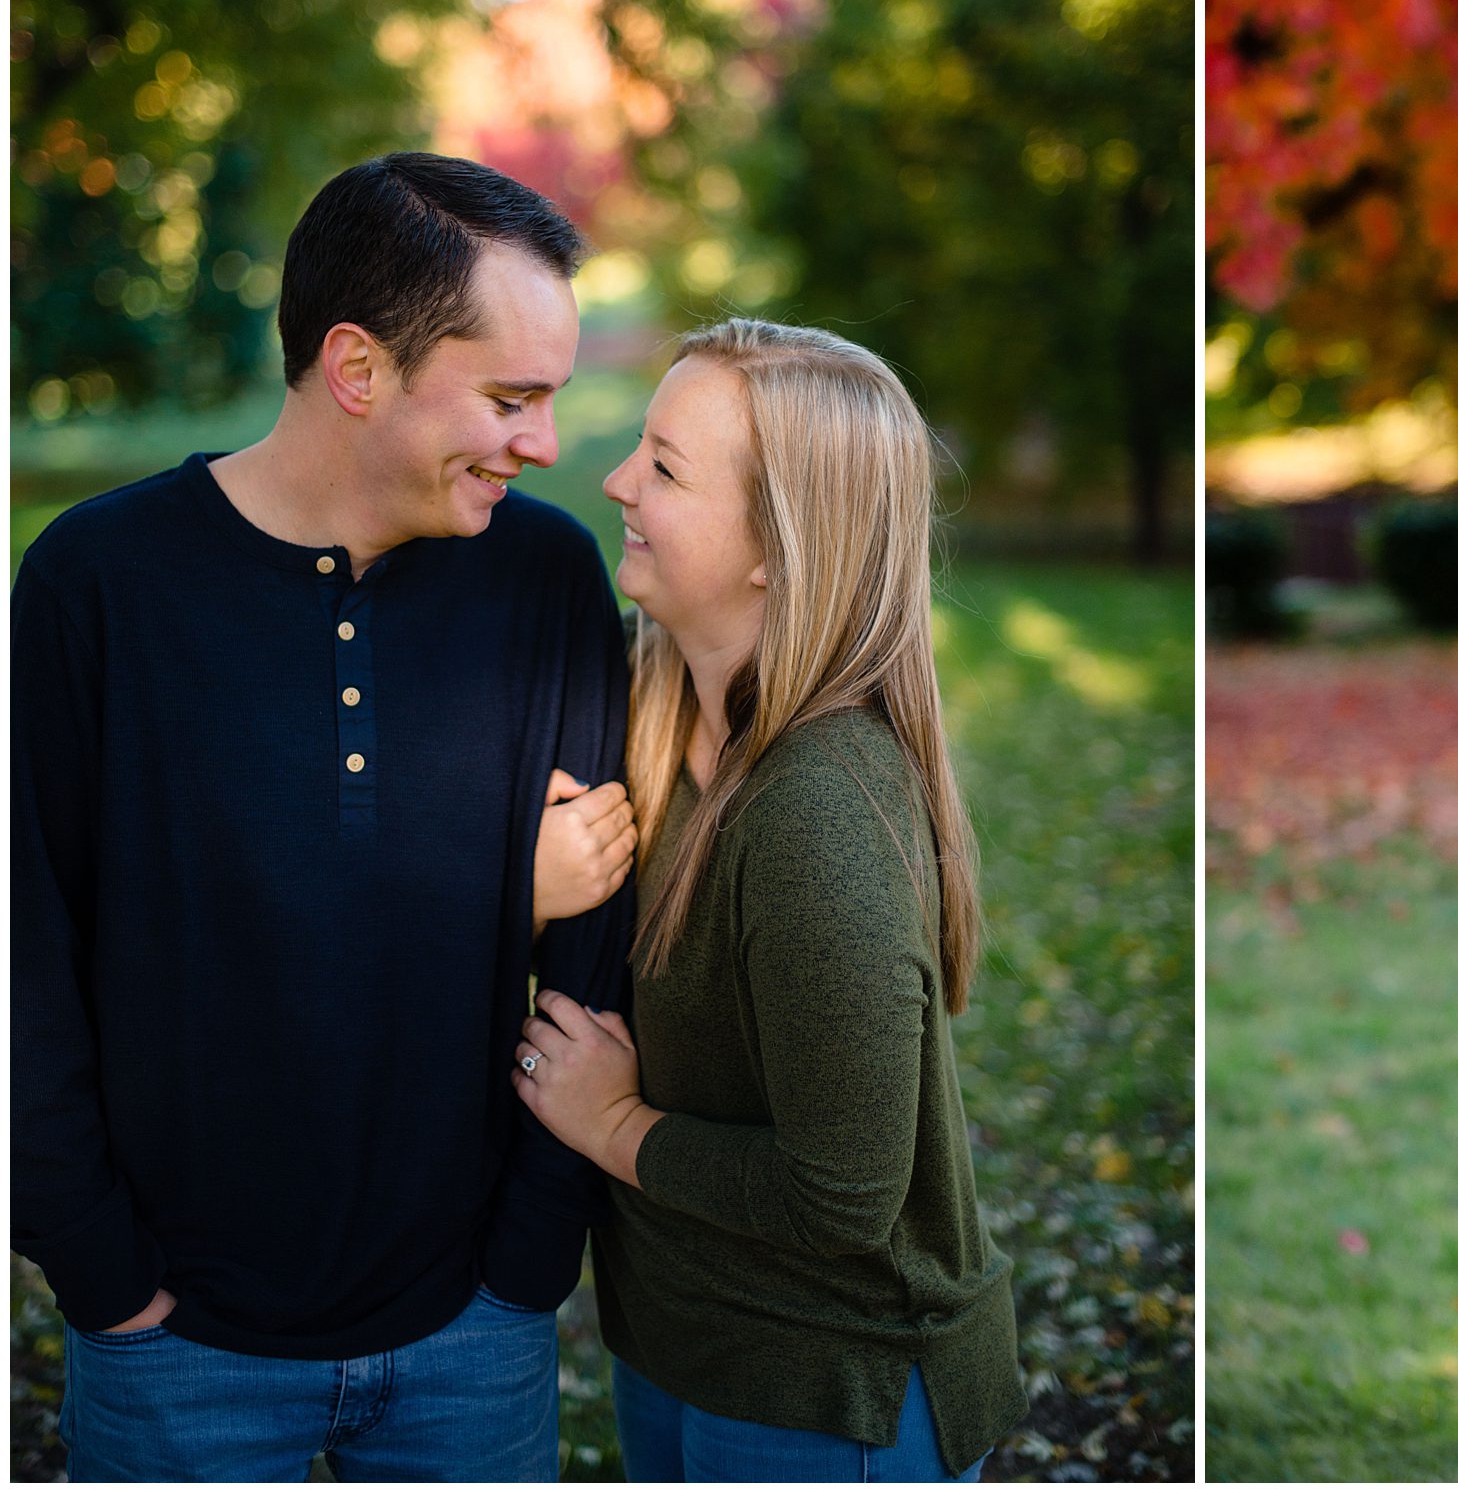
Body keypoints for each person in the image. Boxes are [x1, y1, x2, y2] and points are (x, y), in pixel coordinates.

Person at [12, 152, 638, 1479]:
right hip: (171, 1352)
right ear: (358, 370)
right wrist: (102, 1276)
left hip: (472, 1341)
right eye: (512, 398)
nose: (544, 443)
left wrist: (527, 1267)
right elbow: (26, 960)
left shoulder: (547, 580)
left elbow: (598, 959)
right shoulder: (95, 585)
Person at [510, 320, 1027, 1481]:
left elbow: (842, 1195)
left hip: (832, 1389)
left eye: (666, 467)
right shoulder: (645, 704)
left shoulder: (817, 814)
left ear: (774, 547)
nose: (616, 479)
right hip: (680, 1343)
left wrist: (611, 1124)